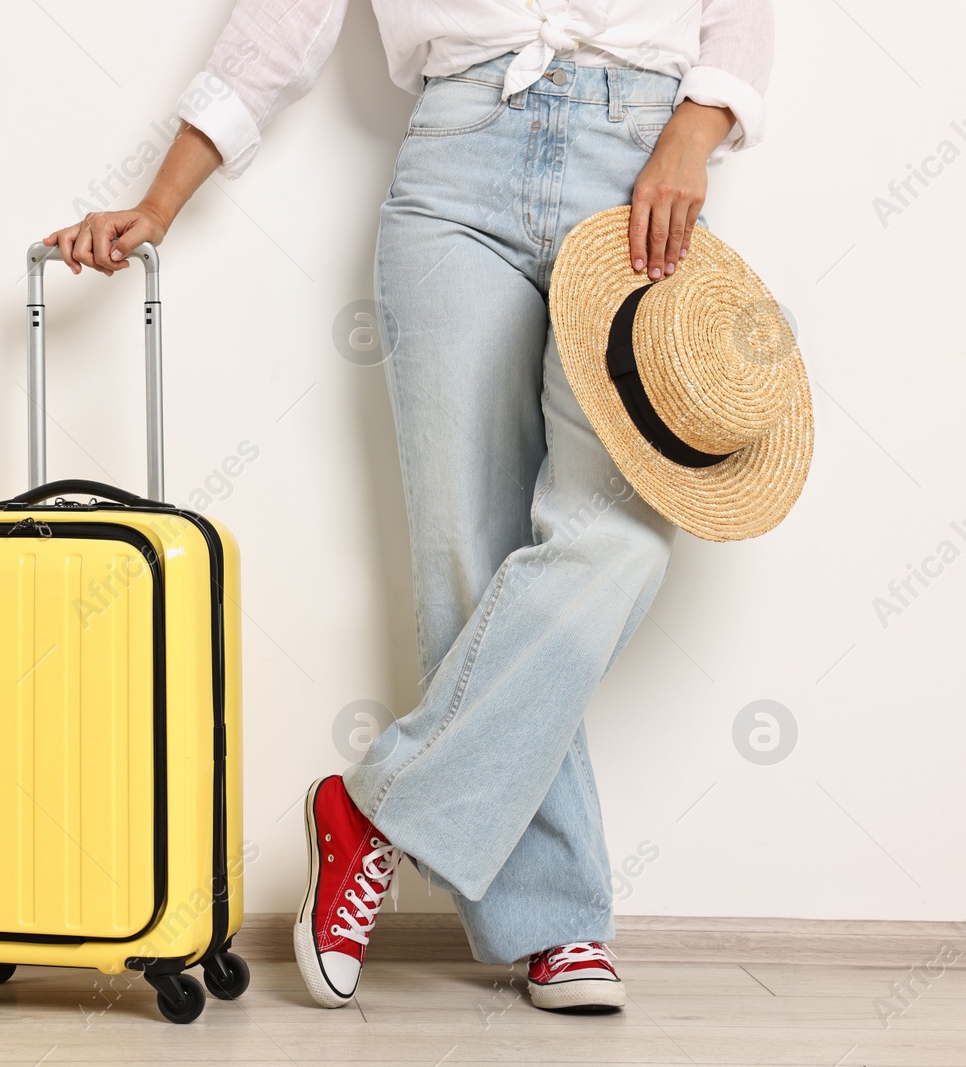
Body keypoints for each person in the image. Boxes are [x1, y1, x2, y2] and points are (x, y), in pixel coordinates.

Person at [45, 0, 773, 1012]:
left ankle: (372, 807)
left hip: (641, 171)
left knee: (620, 538)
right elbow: (280, 24)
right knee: (466, 562)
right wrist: (157, 203)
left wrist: (691, 137)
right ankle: (552, 923)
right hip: (454, 170)